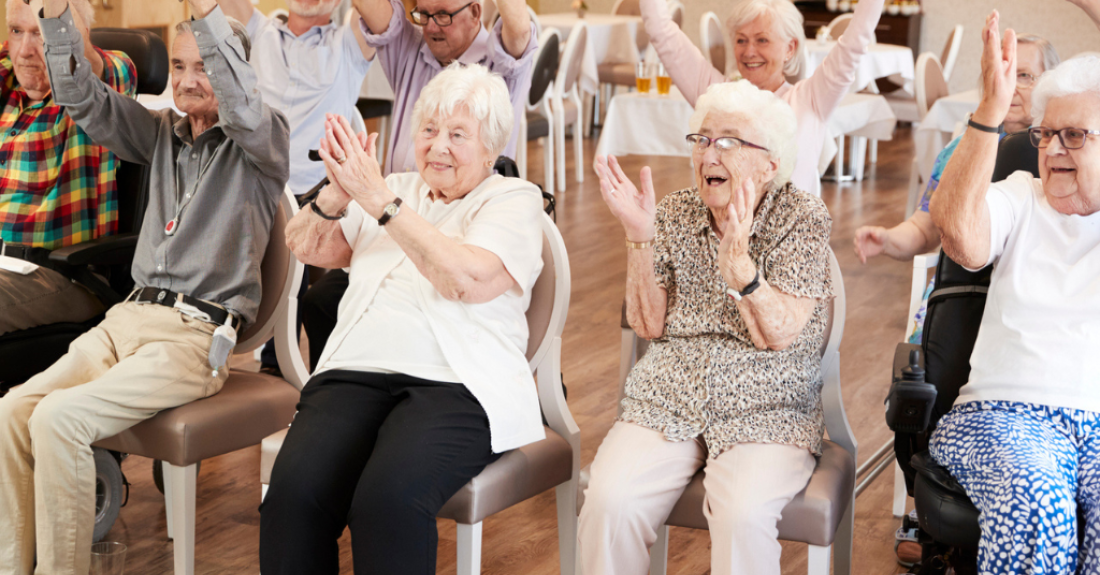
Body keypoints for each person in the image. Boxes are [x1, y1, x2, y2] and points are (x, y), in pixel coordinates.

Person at [0, 0, 289, 571]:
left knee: (61, 420)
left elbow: (239, 100)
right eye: (178, 67)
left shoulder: (263, 143)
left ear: (234, 73)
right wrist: (54, 15)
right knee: (12, 412)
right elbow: (82, 97)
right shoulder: (161, 135)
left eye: (201, 66)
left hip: (192, 336)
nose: (185, 81)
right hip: (126, 319)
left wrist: (206, 12)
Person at [259, 63, 545, 574]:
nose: (438, 146)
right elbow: (303, 245)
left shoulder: (512, 200)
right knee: (293, 496)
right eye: (429, 130)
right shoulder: (393, 185)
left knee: (387, 503)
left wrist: (380, 203)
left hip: (458, 383)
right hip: (355, 371)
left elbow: (465, 279)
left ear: (490, 148)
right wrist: (337, 192)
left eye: (458, 135)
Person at [579, 80, 834, 575]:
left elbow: (779, 333)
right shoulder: (675, 211)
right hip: (670, 393)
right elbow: (649, 324)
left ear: (770, 163)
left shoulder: (801, 217)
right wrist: (639, 236)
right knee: (610, 502)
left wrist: (741, 270)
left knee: (742, 516)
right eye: (702, 139)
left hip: (767, 402)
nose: (708, 153)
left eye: (728, 141)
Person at [929, 11, 1100, 574]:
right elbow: (961, 238)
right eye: (1046, 134)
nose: (1052, 149)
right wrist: (988, 115)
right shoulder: (1019, 195)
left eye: (1073, 136)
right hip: (1001, 413)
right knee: (1039, 498)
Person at [853, 34, 1059, 345]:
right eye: (1002, 73)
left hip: (1036, 303)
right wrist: (888, 239)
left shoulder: (1063, 154)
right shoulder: (960, 150)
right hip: (959, 297)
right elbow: (924, 228)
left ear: (1050, 86)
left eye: (1025, 75)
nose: (1011, 86)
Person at [216, 0, 375, 374]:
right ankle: (239, 350)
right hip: (258, 184)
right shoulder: (259, 30)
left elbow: (380, 15)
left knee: (302, 238)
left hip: (320, 189)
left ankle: (286, 365)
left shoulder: (348, 42)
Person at [639, 0, 883, 197]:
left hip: (792, 245)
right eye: (741, 40)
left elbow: (854, 41)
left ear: (790, 48)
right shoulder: (718, 95)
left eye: (762, 40)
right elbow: (661, 31)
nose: (749, 51)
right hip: (724, 242)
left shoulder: (811, 98)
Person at [0, 0, 136, 338]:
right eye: (17, 32)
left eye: (41, 34)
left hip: (58, 275)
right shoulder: (9, 88)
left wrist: (60, 24)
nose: (27, 50)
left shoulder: (93, 95)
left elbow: (97, 64)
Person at [355, 0, 536, 175]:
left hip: (469, 206)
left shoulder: (500, 65)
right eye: (424, 14)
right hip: (396, 200)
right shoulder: (411, 47)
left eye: (443, 15)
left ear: (474, 13)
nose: (432, 28)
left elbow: (519, 31)